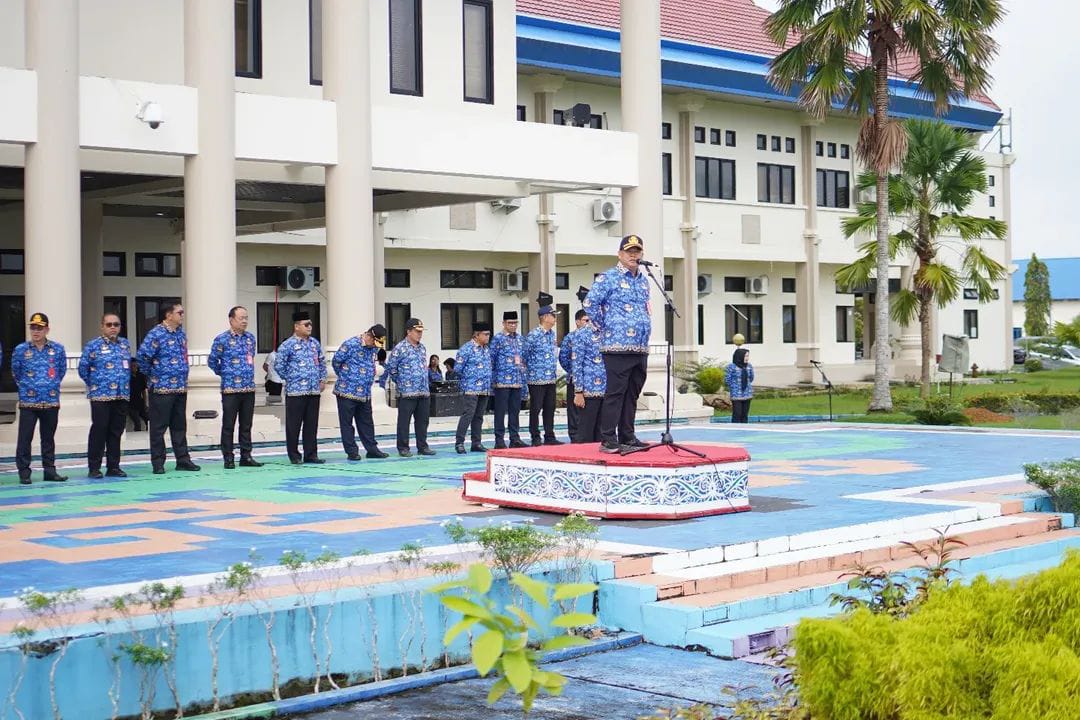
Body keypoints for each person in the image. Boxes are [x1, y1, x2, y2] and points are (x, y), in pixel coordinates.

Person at [584, 234, 652, 453]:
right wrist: (605, 327)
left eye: (637, 251)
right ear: (620, 254)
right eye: (629, 252)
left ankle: (627, 436)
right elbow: (590, 303)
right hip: (616, 346)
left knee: (632, 393)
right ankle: (608, 438)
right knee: (616, 393)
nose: (633, 255)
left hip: (639, 346)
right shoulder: (609, 277)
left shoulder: (643, 279)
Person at [138, 303, 201, 474]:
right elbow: (143, 357)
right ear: (168, 315)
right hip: (161, 388)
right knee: (159, 427)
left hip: (180, 387)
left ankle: (183, 459)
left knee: (179, 426)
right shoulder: (156, 334)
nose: (182, 315)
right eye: (179, 312)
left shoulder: (180, 334)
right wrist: (154, 376)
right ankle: (158, 462)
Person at [12, 312, 67, 485]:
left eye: (40, 328)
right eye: (33, 327)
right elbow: (16, 373)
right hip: (29, 401)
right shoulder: (21, 350)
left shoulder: (57, 349)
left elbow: (61, 371)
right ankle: (24, 472)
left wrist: (50, 386)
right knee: (25, 438)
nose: (36, 331)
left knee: (48, 438)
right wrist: (29, 388)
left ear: (47, 329)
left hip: (50, 401)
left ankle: (49, 471)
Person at [208, 306, 264, 469]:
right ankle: (228, 457)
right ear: (231, 320)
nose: (245, 321)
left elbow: (251, 358)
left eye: (246, 317)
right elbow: (212, 361)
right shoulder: (222, 339)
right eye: (241, 318)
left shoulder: (250, 339)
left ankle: (246, 456)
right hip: (231, 389)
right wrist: (225, 373)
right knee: (229, 424)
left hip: (248, 388)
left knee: (246, 425)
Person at [78, 313, 132, 478]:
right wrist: (96, 385)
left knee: (116, 432)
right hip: (101, 395)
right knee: (99, 431)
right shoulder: (93, 346)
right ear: (102, 326)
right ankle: (94, 468)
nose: (113, 327)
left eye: (116, 324)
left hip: (121, 395)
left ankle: (113, 467)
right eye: (109, 325)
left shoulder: (125, 345)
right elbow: (83, 369)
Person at [274, 310, 327, 465]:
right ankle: (294, 455)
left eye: (310, 324)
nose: (310, 327)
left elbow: (322, 362)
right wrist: (292, 378)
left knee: (311, 424)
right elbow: (278, 365)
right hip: (296, 391)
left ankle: (311, 454)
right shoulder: (288, 345)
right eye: (306, 324)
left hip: (313, 390)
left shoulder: (314, 343)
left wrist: (322, 379)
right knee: (294, 425)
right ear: (297, 327)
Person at [332, 323, 390, 461]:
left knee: (367, 422)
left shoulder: (374, 348)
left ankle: (372, 449)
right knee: (347, 423)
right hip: (347, 391)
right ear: (369, 336)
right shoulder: (351, 344)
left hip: (365, 392)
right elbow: (336, 362)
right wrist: (346, 376)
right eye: (374, 342)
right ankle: (352, 451)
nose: (375, 346)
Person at [382, 317, 435, 457]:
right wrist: (402, 382)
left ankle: (422, 446)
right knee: (404, 421)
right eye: (417, 331)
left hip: (423, 391)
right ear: (409, 332)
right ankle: (403, 447)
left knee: (423, 421)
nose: (420, 334)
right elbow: (391, 368)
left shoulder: (422, 348)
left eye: (421, 331)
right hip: (407, 391)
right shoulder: (400, 348)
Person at [523, 304, 562, 446]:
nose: (555, 318)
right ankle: (535, 436)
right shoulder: (534, 335)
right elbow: (524, 355)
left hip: (550, 378)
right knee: (536, 408)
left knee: (550, 407)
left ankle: (549, 435)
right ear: (545, 317)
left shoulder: (552, 334)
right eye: (553, 315)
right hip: (536, 378)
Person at [490, 311, 527, 450]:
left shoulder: (519, 339)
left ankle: (514, 438)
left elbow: (523, 358)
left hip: (517, 381)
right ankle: (499, 439)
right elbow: (491, 359)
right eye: (510, 323)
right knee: (500, 412)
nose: (513, 325)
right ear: (504, 324)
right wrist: (493, 379)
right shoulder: (498, 339)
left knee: (514, 411)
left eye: (515, 323)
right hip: (501, 381)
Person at [454, 322, 493, 453]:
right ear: (477, 335)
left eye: (489, 334)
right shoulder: (466, 349)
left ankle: (476, 442)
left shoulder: (486, 349)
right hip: (470, 388)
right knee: (468, 415)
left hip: (484, 388)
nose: (488, 337)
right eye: (485, 334)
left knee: (479, 416)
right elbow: (457, 369)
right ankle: (459, 442)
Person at [569, 309, 606, 443]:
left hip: (607, 390)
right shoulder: (582, 334)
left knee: (603, 434)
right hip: (588, 391)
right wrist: (578, 391)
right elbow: (576, 364)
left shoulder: (609, 333)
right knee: (585, 433)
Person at [560, 309, 590, 441]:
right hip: (574, 379)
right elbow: (563, 358)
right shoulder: (570, 338)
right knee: (574, 411)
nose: (589, 323)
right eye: (586, 320)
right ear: (578, 322)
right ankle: (575, 436)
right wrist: (573, 370)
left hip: (591, 381)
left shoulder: (594, 337)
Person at [725, 348, 755, 423]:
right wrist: (735, 387)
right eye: (745, 356)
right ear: (740, 356)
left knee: (745, 415)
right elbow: (727, 379)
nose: (747, 358)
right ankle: (735, 430)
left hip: (747, 394)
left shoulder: (749, 366)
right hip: (736, 395)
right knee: (737, 414)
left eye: (748, 356)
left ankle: (745, 430)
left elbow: (751, 378)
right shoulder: (731, 367)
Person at [128, 357, 149, 431]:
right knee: (137, 422)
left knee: (148, 419)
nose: (134, 368)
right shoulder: (127, 377)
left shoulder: (141, 376)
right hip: (130, 403)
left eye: (135, 366)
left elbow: (144, 390)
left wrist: (145, 403)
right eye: (132, 366)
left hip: (139, 401)